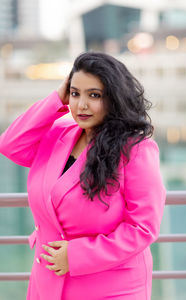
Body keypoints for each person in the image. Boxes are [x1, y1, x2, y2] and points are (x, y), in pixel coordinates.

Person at [0, 52, 166, 300]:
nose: (81, 105)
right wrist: (57, 98)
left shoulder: (136, 149)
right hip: (47, 282)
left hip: (111, 287)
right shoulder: (59, 133)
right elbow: (11, 144)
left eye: (94, 95)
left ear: (114, 98)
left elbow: (142, 227)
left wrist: (76, 255)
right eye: (75, 93)